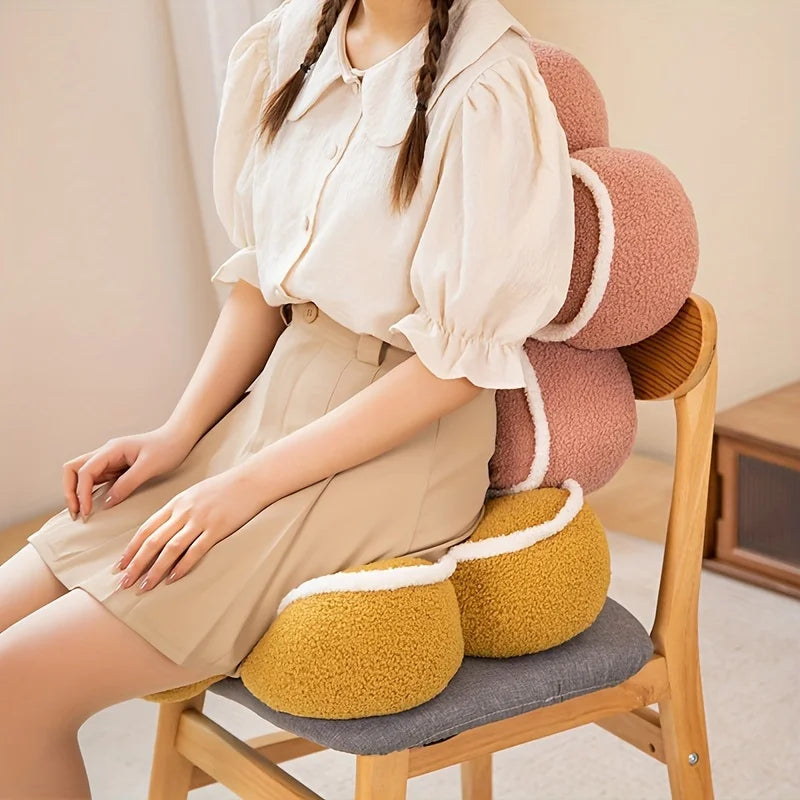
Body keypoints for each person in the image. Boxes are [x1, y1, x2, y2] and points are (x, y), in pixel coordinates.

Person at [0, 0, 575, 794]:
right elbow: (266, 286)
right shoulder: (291, 43)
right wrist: (178, 435)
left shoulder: (489, 83)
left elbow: (457, 368)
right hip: (273, 407)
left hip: (394, 442)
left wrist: (240, 489)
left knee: (14, 688)